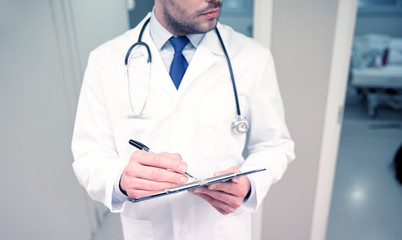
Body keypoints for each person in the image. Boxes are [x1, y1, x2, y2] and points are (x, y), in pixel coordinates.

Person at [72, 0, 295, 239]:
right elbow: (89, 156)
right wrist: (120, 180)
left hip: (222, 229)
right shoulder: (105, 61)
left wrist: (249, 183)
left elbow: (274, 145)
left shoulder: (252, 57)